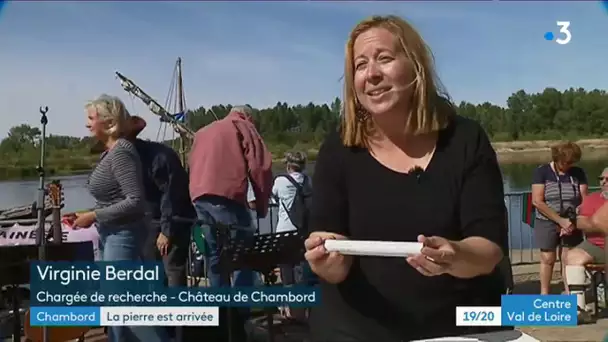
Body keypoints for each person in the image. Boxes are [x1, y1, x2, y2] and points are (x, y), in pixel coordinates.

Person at [304, 15, 509, 342]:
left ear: (416, 67)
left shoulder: (466, 139)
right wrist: (326, 262)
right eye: (359, 65)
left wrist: (455, 255)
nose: (371, 74)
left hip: (459, 328)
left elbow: (488, 250)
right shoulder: (339, 146)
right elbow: (331, 257)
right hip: (355, 330)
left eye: (384, 58)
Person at [76, 94, 169, 342]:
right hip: (111, 234)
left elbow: (135, 200)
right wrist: (89, 215)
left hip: (123, 235)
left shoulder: (121, 152)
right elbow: (115, 197)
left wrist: (93, 215)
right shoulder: (111, 152)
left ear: (108, 122)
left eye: (91, 118)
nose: (87, 124)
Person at [125, 115, 195, 342]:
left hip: (171, 221)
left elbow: (171, 196)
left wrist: (166, 230)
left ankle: (178, 331)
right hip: (150, 223)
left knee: (173, 273)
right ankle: (163, 329)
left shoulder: (158, 156)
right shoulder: (131, 158)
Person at [188, 105, 273, 287]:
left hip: (199, 198)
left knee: (215, 256)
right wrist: (262, 205)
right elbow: (259, 167)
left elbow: (191, 163)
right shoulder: (242, 125)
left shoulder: (202, 132)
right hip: (226, 197)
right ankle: (240, 308)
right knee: (243, 253)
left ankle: (222, 308)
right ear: (249, 116)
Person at [531, 141, 588, 295]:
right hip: (546, 220)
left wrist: (572, 222)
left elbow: (584, 199)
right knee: (547, 258)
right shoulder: (542, 172)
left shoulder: (578, 173)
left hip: (571, 221)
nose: (569, 165)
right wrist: (559, 221)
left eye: (572, 162)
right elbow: (537, 201)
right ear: (557, 158)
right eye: (566, 162)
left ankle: (569, 293)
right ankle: (544, 295)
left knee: (568, 258)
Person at [271, 151, 313, 321]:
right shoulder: (308, 181)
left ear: (288, 165)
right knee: (300, 269)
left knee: (286, 270)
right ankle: (301, 311)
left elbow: (273, 198)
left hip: (284, 230)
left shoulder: (280, 181)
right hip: (302, 231)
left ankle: (288, 309)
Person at [565, 167, 608, 321]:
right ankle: (579, 309)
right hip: (595, 245)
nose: (604, 182)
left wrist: (592, 222)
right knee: (573, 256)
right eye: (601, 179)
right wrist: (599, 224)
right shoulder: (592, 199)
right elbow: (580, 222)